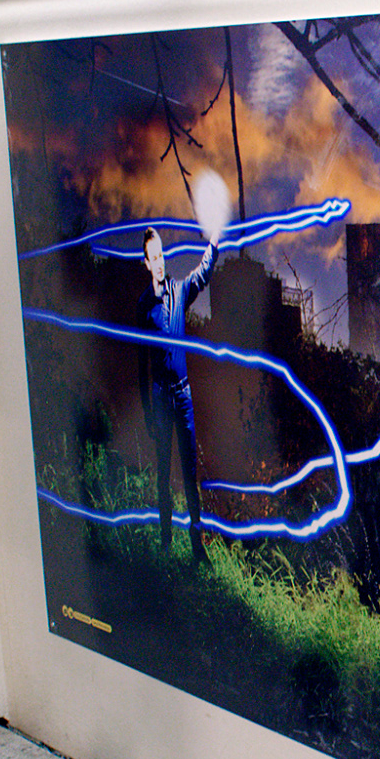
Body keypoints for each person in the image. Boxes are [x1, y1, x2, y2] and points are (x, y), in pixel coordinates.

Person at [137, 225, 216, 566]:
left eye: (162, 256)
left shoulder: (179, 291)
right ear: (146, 262)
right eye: (153, 258)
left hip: (183, 397)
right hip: (159, 399)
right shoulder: (144, 306)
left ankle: (198, 548)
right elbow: (141, 360)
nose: (159, 263)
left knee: (189, 473)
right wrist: (146, 411)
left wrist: (213, 246)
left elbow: (201, 276)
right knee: (163, 475)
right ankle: (166, 544)